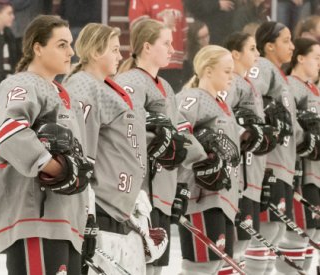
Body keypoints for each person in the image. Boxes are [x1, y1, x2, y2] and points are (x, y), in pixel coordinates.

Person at [0, 15, 93, 275]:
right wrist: (56, 168)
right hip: (35, 222)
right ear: (37, 48)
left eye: (71, 44)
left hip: (65, 223)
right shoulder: (21, 83)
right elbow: (8, 133)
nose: (71, 52)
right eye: (61, 45)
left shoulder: (62, 93)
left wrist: (84, 219)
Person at [115, 18, 207, 275]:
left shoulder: (165, 86)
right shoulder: (129, 81)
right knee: (137, 267)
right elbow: (127, 129)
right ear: (146, 47)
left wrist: (204, 159)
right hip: (139, 193)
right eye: (166, 43)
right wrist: (154, 138)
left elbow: (179, 133)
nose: (172, 48)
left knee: (155, 269)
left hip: (162, 193)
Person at [64, 23, 153, 275]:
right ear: (95, 52)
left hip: (121, 208)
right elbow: (81, 155)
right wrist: (87, 213)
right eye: (114, 49)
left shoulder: (108, 87)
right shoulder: (83, 85)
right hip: (102, 208)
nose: (121, 55)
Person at [176, 45, 244, 275]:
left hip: (223, 198)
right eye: (227, 71)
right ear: (208, 71)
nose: (231, 77)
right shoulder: (192, 97)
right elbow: (177, 131)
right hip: (201, 196)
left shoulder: (223, 105)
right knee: (201, 267)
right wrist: (202, 160)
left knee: (220, 265)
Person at [221, 31, 278, 274]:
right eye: (252, 49)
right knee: (233, 247)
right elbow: (220, 116)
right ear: (235, 54)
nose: (257, 54)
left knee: (243, 245)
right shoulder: (233, 82)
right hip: (239, 179)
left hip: (252, 175)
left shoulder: (249, 84)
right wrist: (244, 130)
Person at [244, 21, 298, 274]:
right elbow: (250, 92)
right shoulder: (263, 66)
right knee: (265, 233)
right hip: (270, 166)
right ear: (269, 46)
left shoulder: (280, 75)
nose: (292, 46)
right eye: (286, 40)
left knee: (275, 232)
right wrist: (262, 113)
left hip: (283, 165)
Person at [280, 38, 320, 274]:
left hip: (315, 172)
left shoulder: (313, 88)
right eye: (316, 57)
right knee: (299, 232)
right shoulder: (291, 85)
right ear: (300, 58)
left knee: (313, 230)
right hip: (302, 173)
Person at [128, 0, 187, 91]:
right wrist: (164, 24)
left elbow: (183, 31)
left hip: (174, 65)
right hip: (150, 64)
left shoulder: (178, 2)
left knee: (172, 101)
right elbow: (139, 28)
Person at [182, 20, 210, 86]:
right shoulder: (187, 59)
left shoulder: (213, 51)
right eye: (202, 38)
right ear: (194, 40)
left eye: (207, 35)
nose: (206, 40)